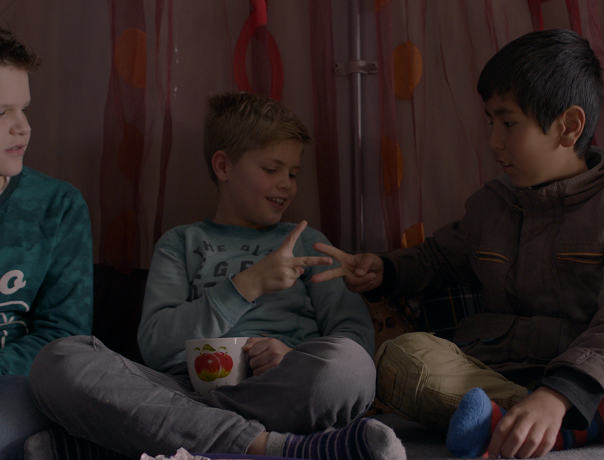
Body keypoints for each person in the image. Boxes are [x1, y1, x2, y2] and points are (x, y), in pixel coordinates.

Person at [312, 29, 604, 458]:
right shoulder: (490, 204)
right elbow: (437, 257)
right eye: (490, 122)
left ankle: (550, 426)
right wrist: (383, 269)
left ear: (569, 127)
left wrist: (558, 395)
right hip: (492, 378)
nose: (494, 141)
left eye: (509, 123)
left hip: (589, 378)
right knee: (401, 358)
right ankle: (593, 423)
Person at [28, 91, 406, 460]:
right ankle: (273, 447)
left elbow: (354, 338)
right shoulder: (180, 243)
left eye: (293, 173)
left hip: (279, 388)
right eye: (271, 169)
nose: (286, 184)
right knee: (58, 361)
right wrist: (247, 285)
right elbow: (156, 346)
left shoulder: (308, 242)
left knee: (351, 368)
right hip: (185, 388)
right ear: (223, 166)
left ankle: (136, 438)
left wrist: (293, 358)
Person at [0, 27, 93, 460]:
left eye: (24, 109)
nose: (23, 127)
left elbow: (64, 337)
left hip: (15, 385)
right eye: (1, 112)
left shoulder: (57, 205)